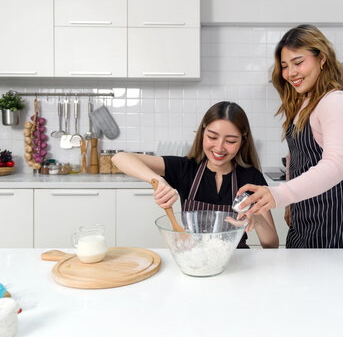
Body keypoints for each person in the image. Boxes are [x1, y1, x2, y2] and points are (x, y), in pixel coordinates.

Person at [238, 24, 343, 248]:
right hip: (304, 216)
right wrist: (291, 204)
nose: (291, 73)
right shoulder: (304, 103)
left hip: (337, 219)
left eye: (298, 62)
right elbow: (294, 158)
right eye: (285, 66)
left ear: (322, 58)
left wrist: (280, 194)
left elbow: (337, 164)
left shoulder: (336, 101)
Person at [112, 101, 279, 249]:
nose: (219, 148)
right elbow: (120, 157)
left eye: (230, 141)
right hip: (192, 258)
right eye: (212, 137)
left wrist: (258, 221)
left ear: (243, 141)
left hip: (238, 261)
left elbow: (272, 244)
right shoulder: (185, 168)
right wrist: (158, 181)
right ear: (202, 133)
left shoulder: (251, 178)